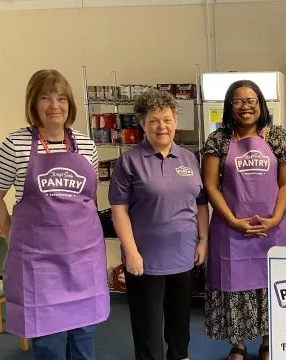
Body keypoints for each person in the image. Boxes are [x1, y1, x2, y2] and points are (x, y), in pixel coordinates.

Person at [0, 69, 108, 360]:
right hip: (40, 265)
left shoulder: (87, 145)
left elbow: (87, 197)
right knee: (48, 342)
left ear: (70, 103)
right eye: (45, 97)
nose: (55, 105)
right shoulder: (14, 145)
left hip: (82, 260)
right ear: (33, 103)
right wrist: (9, 232)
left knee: (84, 336)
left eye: (61, 98)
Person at [109, 88, 208, 360]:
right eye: (153, 120)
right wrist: (130, 252)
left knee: (180, 327)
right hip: (145, 261)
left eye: (166, 119)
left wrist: (203, 240)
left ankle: (180, 356)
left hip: (184, 256)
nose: (161, 126)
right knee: (148, 330)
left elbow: (200, 204)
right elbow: (119, 211)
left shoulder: (189, 159)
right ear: (142, 124)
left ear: (175, 120)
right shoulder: (128, 162)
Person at [202, 80, 286, 360]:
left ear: (261, 105)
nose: (246, 107)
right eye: (239, 101)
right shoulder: (218, 140)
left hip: (272, 229)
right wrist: (232, 220)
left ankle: (268, 341)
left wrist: (276, 217)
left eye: (252, 101)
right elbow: (210, 185)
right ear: (230, 107)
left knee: (270, 284)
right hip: (231, 229)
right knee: (235, 284)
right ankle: (238, 344)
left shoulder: (277, 137)